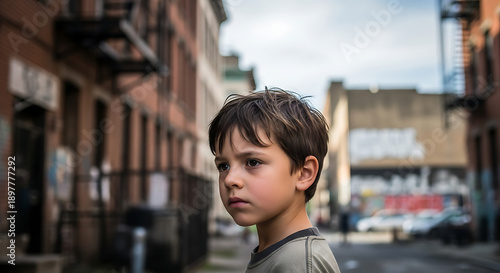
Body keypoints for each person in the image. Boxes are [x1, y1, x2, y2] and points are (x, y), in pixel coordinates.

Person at [209, 88, 341, 273]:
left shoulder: (298, 263)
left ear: (304, 173)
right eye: (223, 166)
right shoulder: (279, 254)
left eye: (252, 162)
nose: (230, 179)